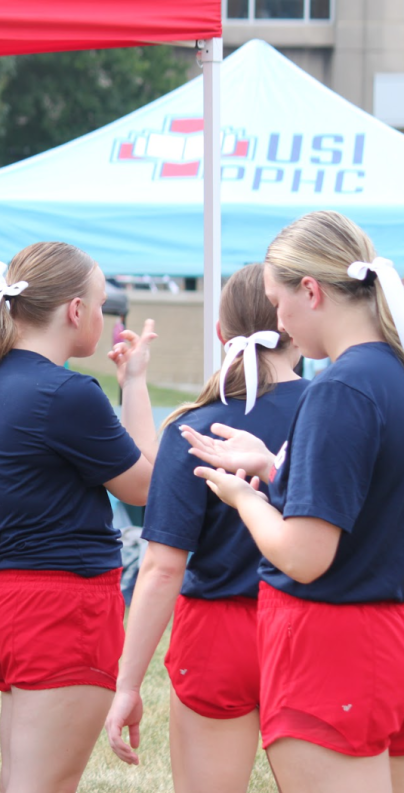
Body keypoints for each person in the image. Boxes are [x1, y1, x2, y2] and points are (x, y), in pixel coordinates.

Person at [185, 211, 404, 792]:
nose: (277, 319)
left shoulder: (340, 389)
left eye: (277, 301)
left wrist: (242, 496)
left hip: (331, 646)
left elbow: (305, 555)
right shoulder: (392, 374)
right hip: (387, 634)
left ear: (311, 291)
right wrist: (277, 467)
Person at [0, 241, 157, 793]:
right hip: (61, 608)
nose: (102, 318)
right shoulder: (65, 393)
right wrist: (135, 385)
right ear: (73, 311)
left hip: (3, 601)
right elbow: (147, 487)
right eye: (98, 304)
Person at [104, 263, 305, 792]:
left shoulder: (195, 424)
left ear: (221, 334)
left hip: (217, 634)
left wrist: (127, 682)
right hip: (310, 624)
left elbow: (162, 569)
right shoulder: (334, 411)